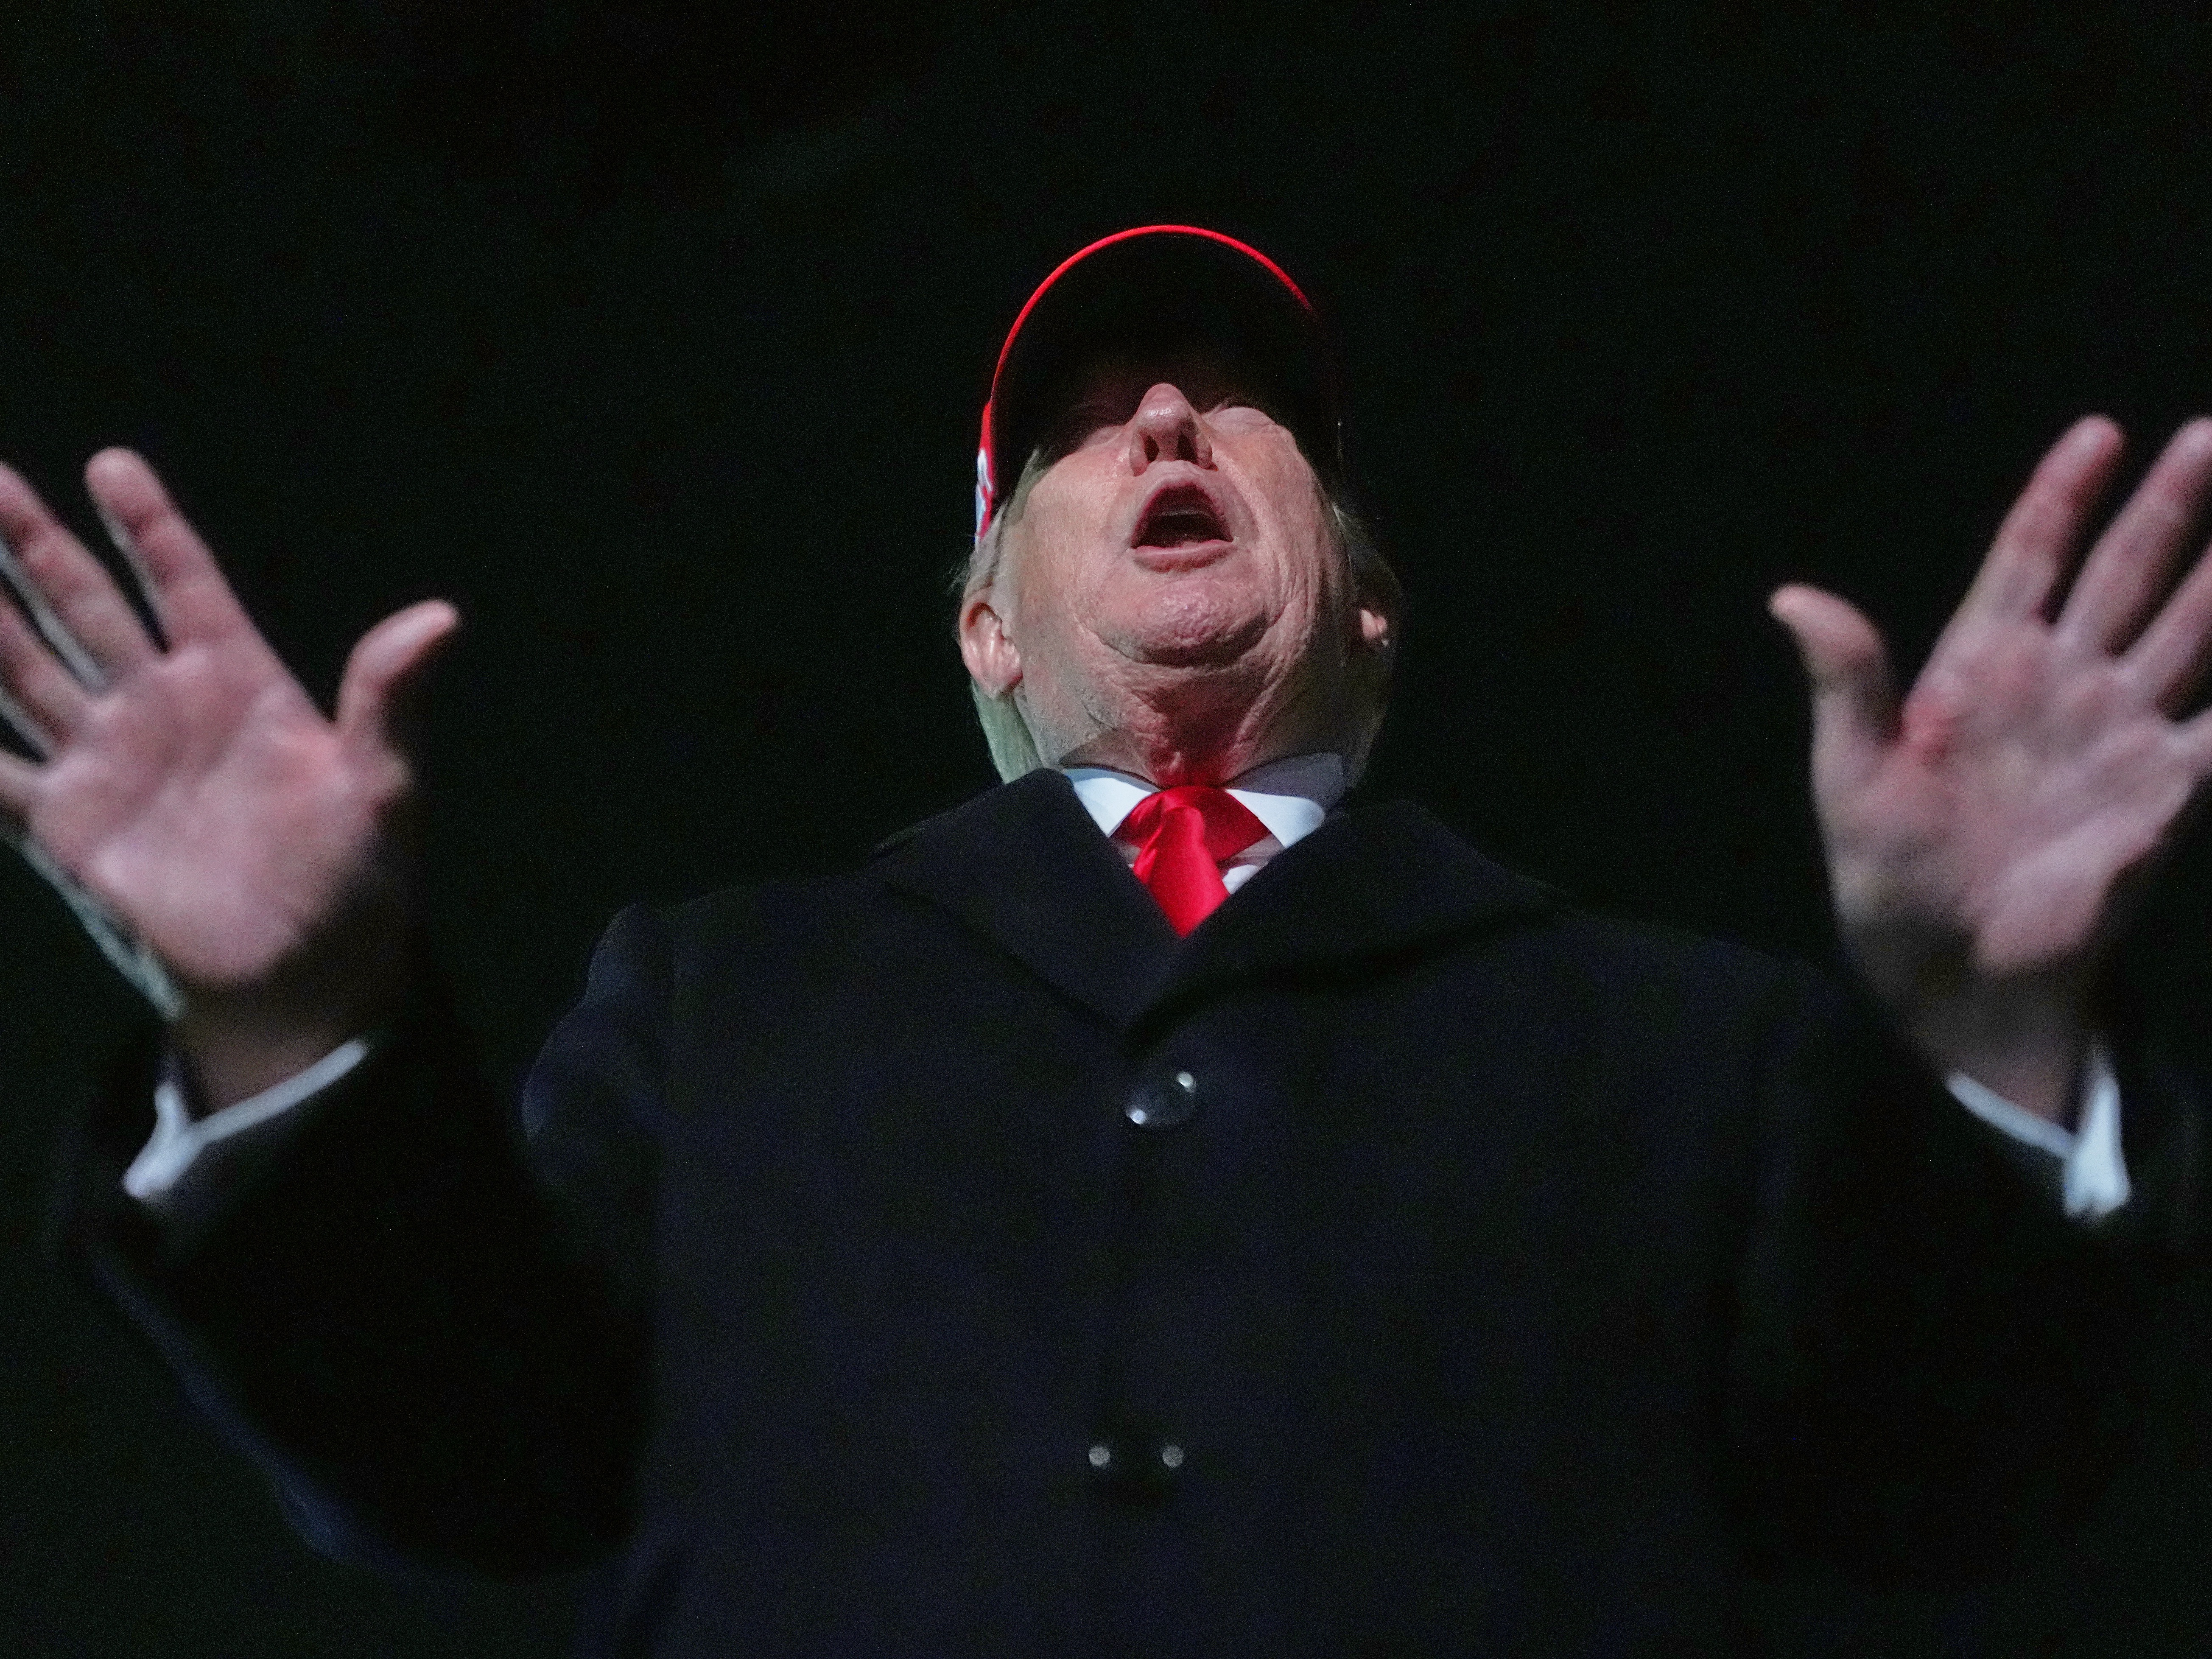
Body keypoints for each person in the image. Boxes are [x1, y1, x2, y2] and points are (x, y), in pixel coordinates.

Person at [5, 225, 2211, 1655]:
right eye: (1084, 422)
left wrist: (1986, 1027)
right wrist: (290, 1024)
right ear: (988, 626)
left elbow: (1930, 1487)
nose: (1162, 417)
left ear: (1367, 602)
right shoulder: (716, 996)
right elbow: (471, 1467)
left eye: (1238, 403)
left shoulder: (1679, 1040)